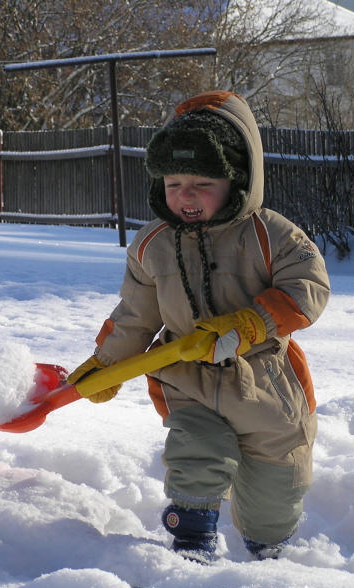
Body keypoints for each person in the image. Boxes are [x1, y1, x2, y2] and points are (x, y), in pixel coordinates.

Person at [67, 90, 330, 562]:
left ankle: (269, 554)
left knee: (275, 492)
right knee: (196, 452)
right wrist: (105, 363)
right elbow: (135, 315)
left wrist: (251, 324)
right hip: (185, 377)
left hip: (264, 380)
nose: (184, 196)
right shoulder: (152, 245)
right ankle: (192, 542)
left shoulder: (271, 234)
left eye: (202, 184)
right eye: (173, 183)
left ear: (237, 181)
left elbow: (308, 288)